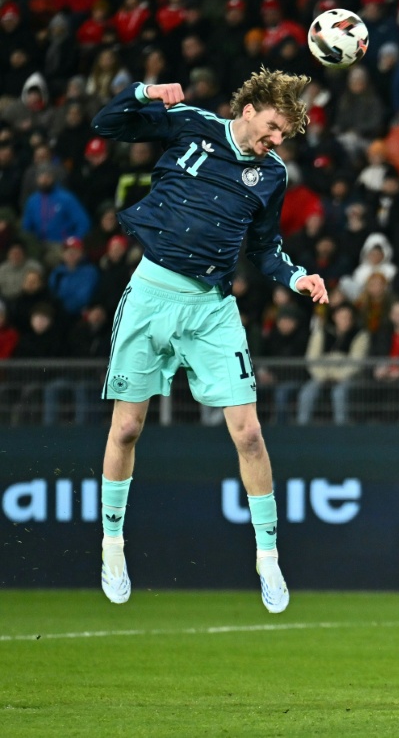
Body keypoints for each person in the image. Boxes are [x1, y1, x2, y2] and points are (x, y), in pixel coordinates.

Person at [90, 68, 329, 613]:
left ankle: (268, 556)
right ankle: (112, 546)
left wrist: (297, 277)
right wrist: (146, 92)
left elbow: (264, 248)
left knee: (249, 434)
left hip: (212, 308)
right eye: (272, 128)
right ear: (249, 110)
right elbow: (106, 124)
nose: (275, 140)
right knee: (126, 428)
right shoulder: (191, 124)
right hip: (151, 293)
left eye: (283, 135)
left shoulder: (272, 175)